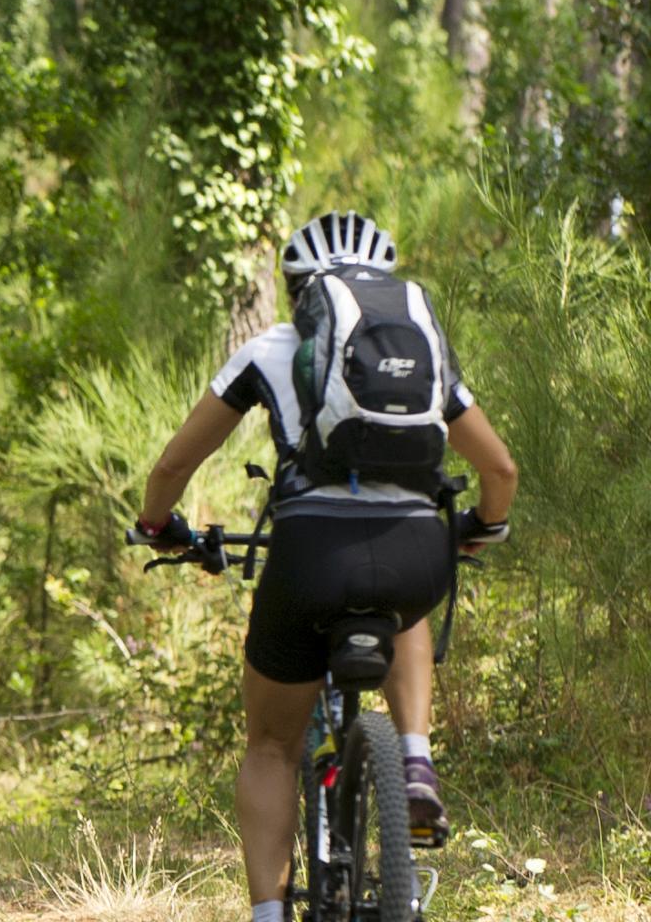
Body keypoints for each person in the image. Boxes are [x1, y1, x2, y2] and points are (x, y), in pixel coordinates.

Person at [133, 213, 517, 922]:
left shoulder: (273, 347)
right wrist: (481, 528)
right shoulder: (423, 349)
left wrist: (160, 527)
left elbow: (175, 463)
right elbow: (498, 466)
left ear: (297, 290)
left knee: (274, 743)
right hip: (413, 549)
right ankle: (414, 758)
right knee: (407, 605)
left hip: (308, 552)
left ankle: (269, 915)